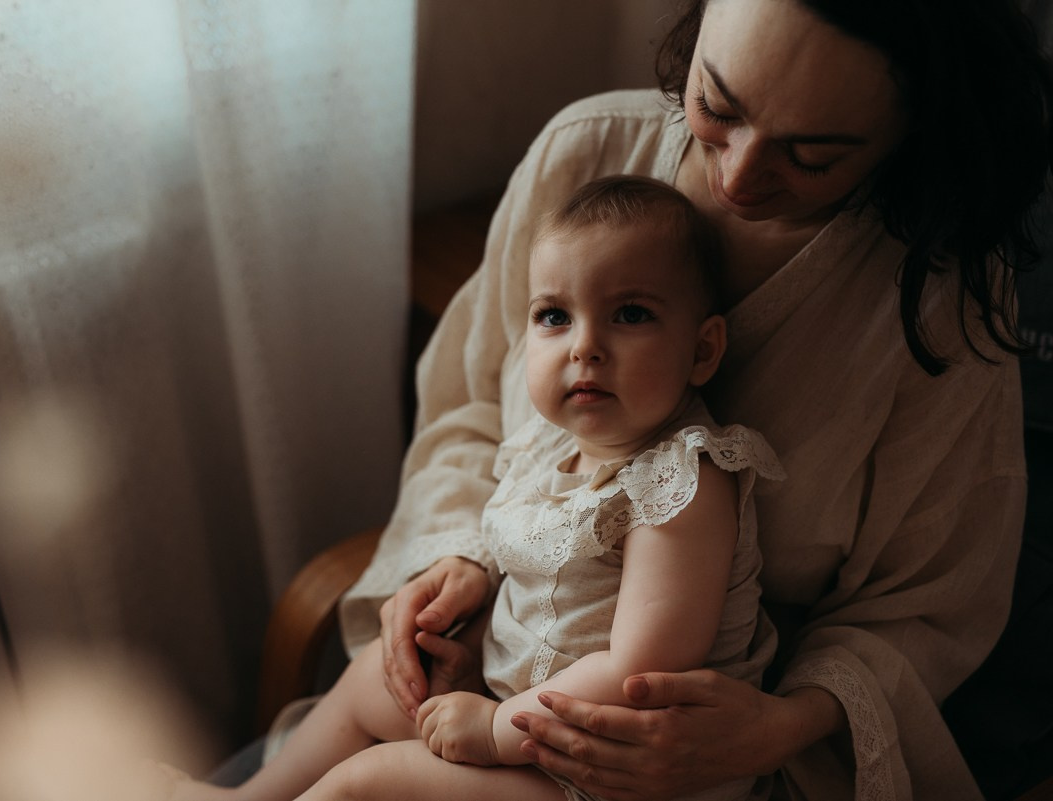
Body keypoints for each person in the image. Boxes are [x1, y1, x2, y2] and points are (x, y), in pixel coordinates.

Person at [336, 0, 1053, 799]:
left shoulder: (935, 304)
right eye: (717, 106)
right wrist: (462, 562)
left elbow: (924, 609)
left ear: (910, 132)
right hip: (497, 662)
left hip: (702, 750)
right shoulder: (584, 156)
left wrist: (774, 727)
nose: (739, 176)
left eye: (812, 156)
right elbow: (470, 413)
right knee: (360, 705)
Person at [165, 176, 784, 801]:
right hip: (521, 714)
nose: (585, 347)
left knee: (366, 783)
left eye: (631, 314)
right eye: (555, 316)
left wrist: (493, 728)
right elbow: (544, 589)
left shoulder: (683, 482)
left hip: (610, 769)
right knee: (367, 683)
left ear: (702, 351)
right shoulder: (548, 446)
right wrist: (476, 649)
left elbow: (637, 674)